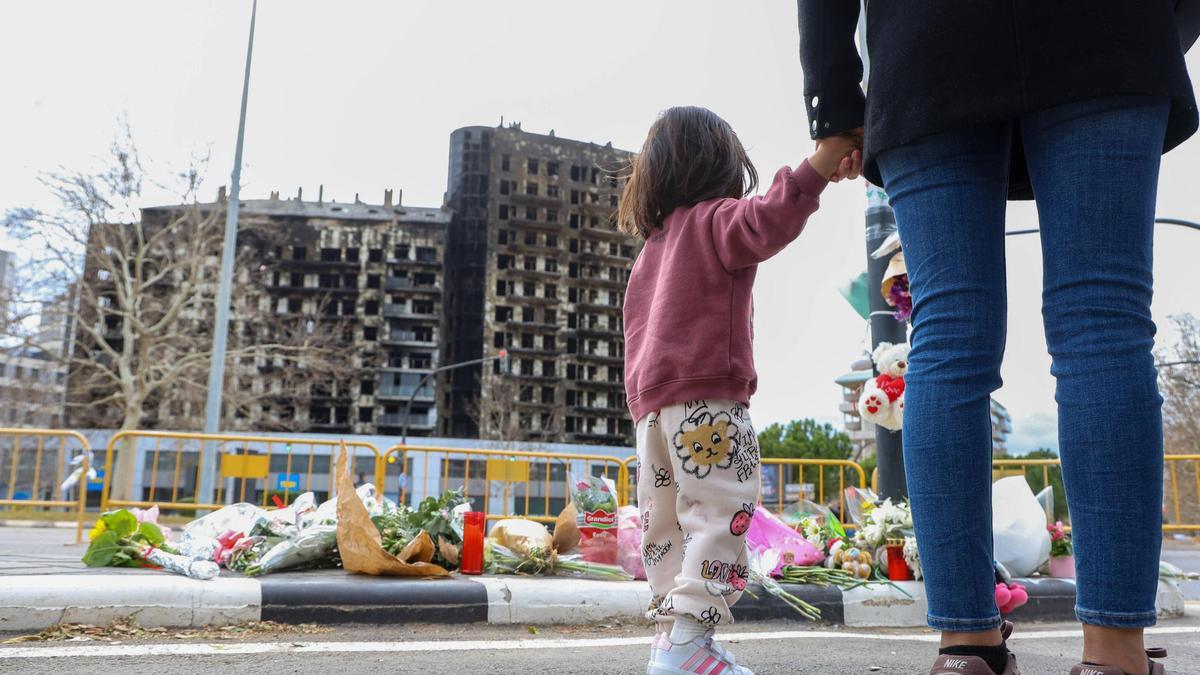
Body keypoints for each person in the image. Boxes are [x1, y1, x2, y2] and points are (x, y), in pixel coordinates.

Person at [798, 3, 1197, 675]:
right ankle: (1113, 655)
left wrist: (832, 92)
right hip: (1107, 30)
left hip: (928, 38)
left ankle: (966, 650)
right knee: (1103, 324)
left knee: (947, 338)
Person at [619, 105, 860, 675]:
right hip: (708, 404)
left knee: (667, 523)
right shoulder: (715, 220)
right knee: (724, 510)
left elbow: (633, 333)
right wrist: (821, 163)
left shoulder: (650, 250)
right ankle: (689, 643)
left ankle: (672, 643)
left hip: (650, 413)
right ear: (721, 164)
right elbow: (768, 219)